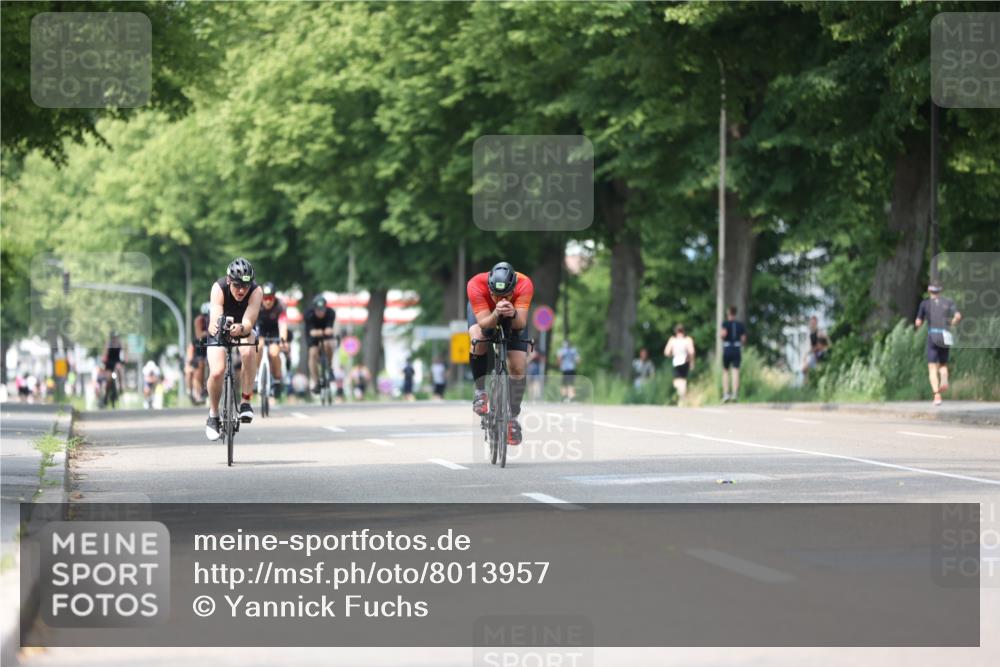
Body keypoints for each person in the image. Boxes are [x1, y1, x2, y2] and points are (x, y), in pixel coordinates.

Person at [467, 261, 534, 445]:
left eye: (506, 295)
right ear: (489, 287)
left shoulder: (524, 283)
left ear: (514, 288)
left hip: (514, 317)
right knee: (478, 339)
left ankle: (512, 417)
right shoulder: (476, 284)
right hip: (486, 315)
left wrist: (512, 314)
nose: (501, 299)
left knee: (518, 366)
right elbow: (484, 325)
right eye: (496, 295)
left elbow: (520, 324)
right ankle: (480, 392)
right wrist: (496, 313)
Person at [205, 257, 263, 440]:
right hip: (220, 327)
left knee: (249, 349)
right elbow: (216, 313)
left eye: (245, 286)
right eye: (237, 285)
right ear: (229, 280)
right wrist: (217, 325)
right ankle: (213, 414)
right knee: (217, 372)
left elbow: (249, 320)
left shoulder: (256, 291)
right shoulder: (219, 287)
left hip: (243, 327)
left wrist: (242, 329)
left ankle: (246, 401)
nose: (241, 291)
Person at [915, 280, 962, 407]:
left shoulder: (925, 304)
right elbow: (958, 316)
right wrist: (952, 322)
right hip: (945, 335)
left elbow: (918, 322)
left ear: (929, 291)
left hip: (933, 335)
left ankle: (937, 395)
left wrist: (918, 326)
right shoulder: (948, 302)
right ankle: (944, 379)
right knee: (943, 364)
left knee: (932, 367)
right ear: (940, 291)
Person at [256, 282, 289, 399]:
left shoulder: (280, 306)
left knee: (274, 352)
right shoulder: (256, 304)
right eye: (265, 298)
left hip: (275, 332)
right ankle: (258, 372)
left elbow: (283, 325)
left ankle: (277, 379)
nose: (268, 301)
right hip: (260, 330)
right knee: (258, 346)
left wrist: (283, 341)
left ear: (274, 297)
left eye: (270, 298)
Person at [304, 295, 336, 395]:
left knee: (328, 344)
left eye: (322, 310)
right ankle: (316, 381)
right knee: (313, 353)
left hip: (325, 334)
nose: (321, 312)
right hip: (312, 335)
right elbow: (311, 331)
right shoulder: (309, 314)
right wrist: (318, 332)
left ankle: (330, 367)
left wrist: (328, 330)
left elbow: (330, 328)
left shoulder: (331, 313)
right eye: (318, 310)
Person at [720, 305, 747, 402]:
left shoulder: (725, 323)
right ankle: (735, 394)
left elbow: (723, 334)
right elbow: (743, 339)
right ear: (735, 314)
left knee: (726, 371)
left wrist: (723, 337)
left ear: (728, 313)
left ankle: (726, 394)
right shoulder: (740, 325)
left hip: (727, 348)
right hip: (736, 348)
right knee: (735, 371)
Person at [664, 324, 695, 399]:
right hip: (685, 361)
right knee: (682, 379)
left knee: (677, 380)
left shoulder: (673, 340)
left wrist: (672, 354)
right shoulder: (687, 340)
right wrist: (692, 362)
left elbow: (666, 352)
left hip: (676, 362)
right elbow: (692, 352)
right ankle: (683, 395)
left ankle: (682, 395)